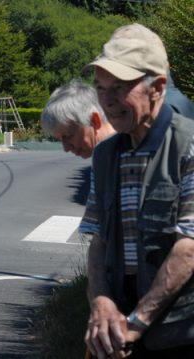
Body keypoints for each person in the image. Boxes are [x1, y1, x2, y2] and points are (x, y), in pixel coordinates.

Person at [80, 23, 194, 358]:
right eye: (100, 87)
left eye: (119, 87)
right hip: (121, 326)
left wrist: (137, 322)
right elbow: (98, 239)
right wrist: (101, 303)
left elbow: (189, 247)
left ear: (157, 87)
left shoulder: (188, 145)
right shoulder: (106, 154)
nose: (108, 100)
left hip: (180, 331)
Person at [41, 79, 115, 159]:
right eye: (59, 139)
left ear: (94, 121)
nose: (66, 148)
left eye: (68, 136)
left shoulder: (124, 158)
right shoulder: (104, 157)